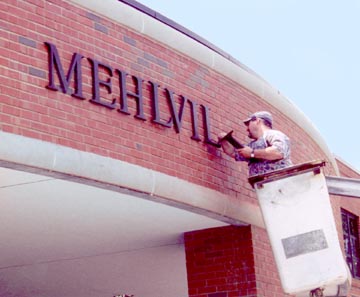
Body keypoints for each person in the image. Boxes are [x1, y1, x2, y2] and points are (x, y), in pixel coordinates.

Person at [218, 111, 292, 176]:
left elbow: (279, 152)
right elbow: (233, 152)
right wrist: (224, 140)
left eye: (248, 124)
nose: (247, 129)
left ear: (257, 120)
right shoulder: (253, 144)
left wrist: (252, 153)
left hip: (281, 183)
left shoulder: (273, 134)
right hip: (264, 187)